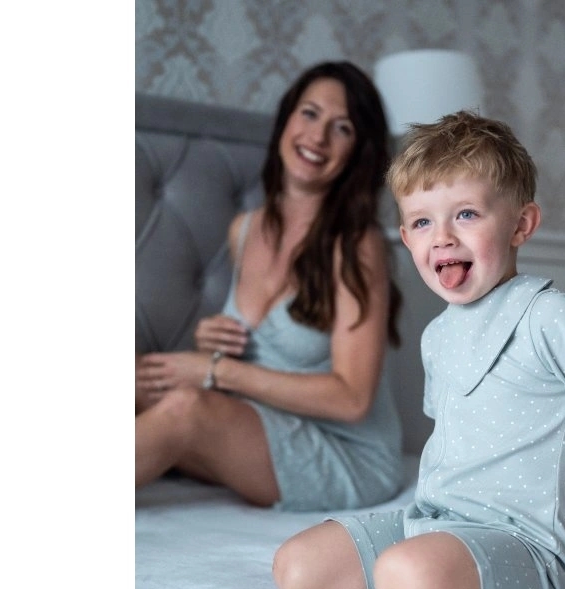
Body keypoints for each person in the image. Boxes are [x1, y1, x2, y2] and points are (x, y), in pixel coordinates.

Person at [272, 111, 565, 589]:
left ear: (521, 225)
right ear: (407, 238)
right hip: (435, 523)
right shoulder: (437, 336)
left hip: (522, 546)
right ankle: (430, 586)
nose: (442, 237)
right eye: (423, 222)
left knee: (403, 579)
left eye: (466, 214)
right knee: (297, 567)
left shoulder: (550, 317)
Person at [135, 61, 405, 512]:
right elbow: (258, 352)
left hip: (345, 454)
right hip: (260, 421)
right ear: (285, 120)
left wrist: (215, 371)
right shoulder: (244, 230)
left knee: (187, 409)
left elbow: (353, 399)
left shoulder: (357, 245)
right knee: (134, 374)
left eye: (341, 128)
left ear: (358, 151)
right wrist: (213, 344)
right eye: (309, 113)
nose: (318, 137)